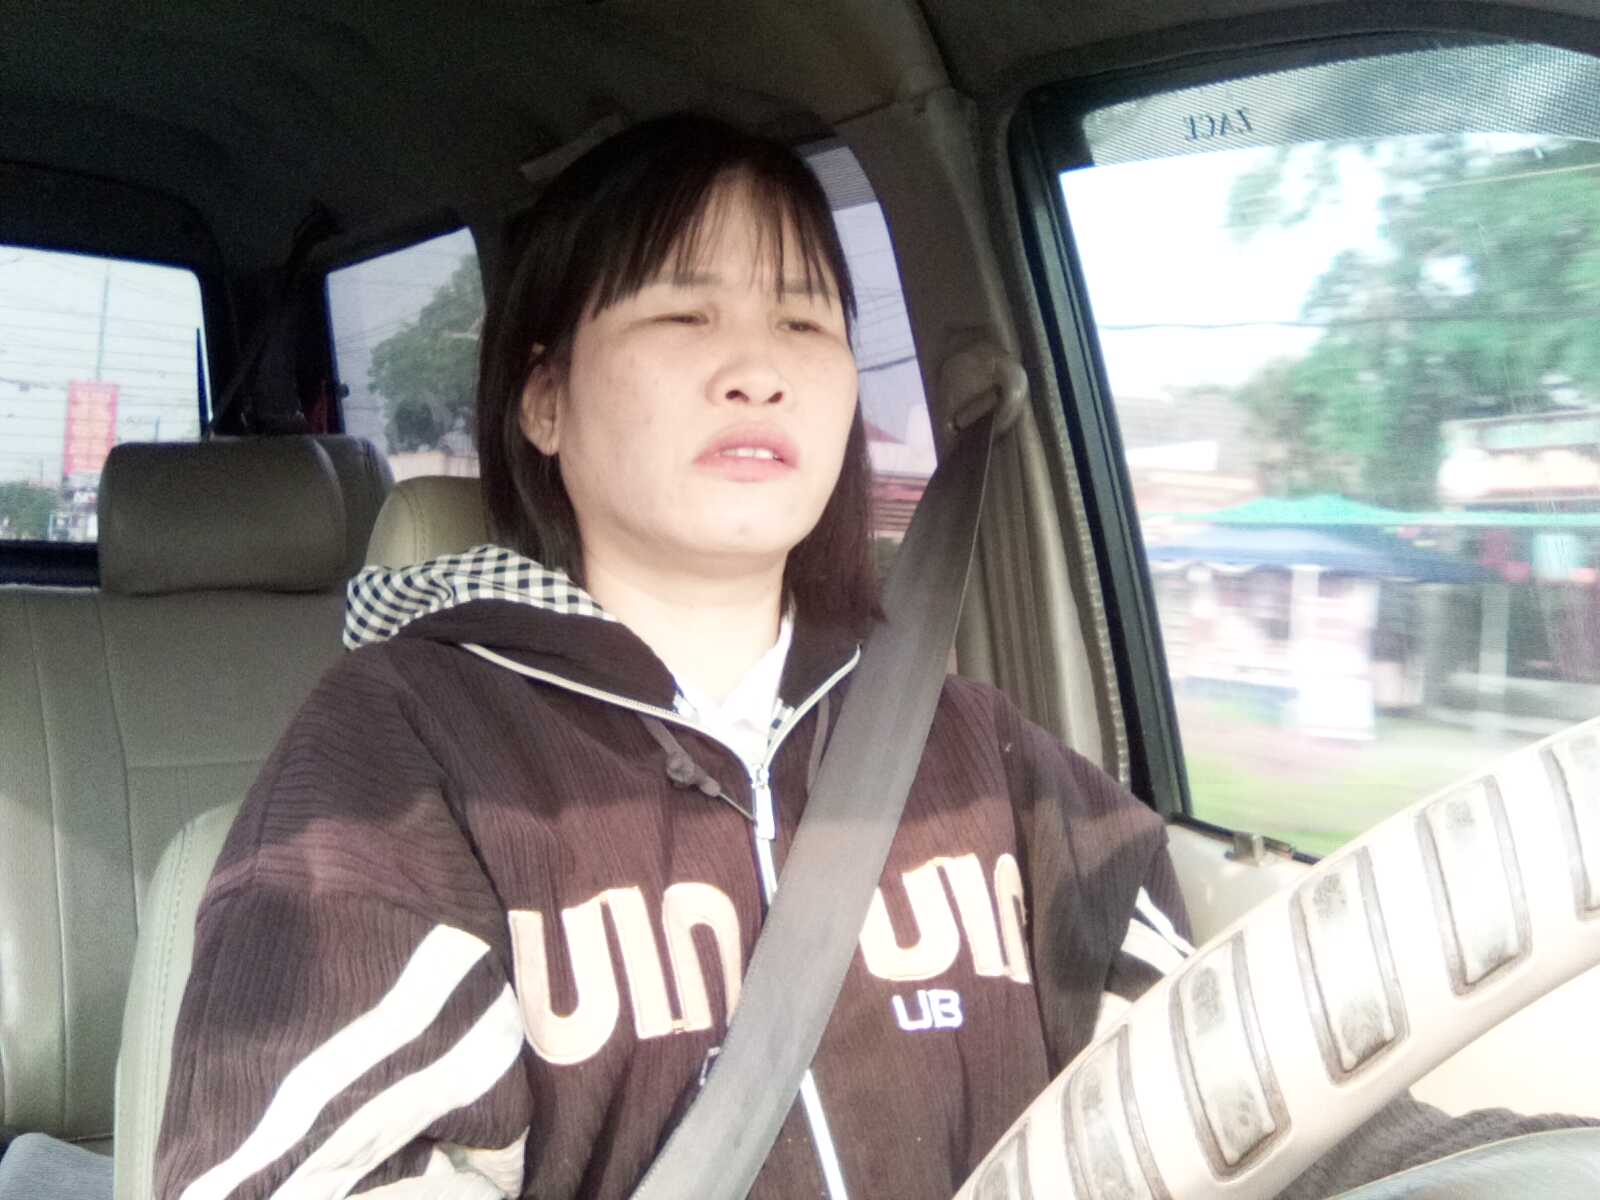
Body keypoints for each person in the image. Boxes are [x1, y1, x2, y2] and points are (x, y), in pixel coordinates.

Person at [152, 115, 1586, 1200]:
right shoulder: (402, 752)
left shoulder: (971, 747)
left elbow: (1249, 1079)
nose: (759, 365)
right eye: (683, 313)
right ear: (545, 400)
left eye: (804, 321)